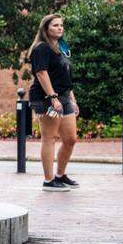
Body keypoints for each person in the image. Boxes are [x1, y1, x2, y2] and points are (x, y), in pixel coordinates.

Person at [27, 14, 80, 192]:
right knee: (49, 138)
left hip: (64, 96)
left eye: (61, 25)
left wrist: (72, 99)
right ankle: (49, 181)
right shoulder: (41, 48)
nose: (60, 28)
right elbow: (42, 73)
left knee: (70, 139)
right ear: (46, 28)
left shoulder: (61, 46)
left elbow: (65, 75)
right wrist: (52, 97)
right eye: (55, 25)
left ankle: (60, 175)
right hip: (45, 98)